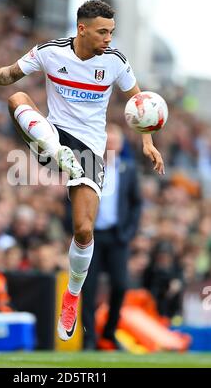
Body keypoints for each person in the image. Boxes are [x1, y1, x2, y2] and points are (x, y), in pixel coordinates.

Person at [0, 0, 165, 341]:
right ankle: (57, 153)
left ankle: (72, 297)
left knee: (82, 230)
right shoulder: (50, 52)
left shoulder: (115, 61)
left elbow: (141, 105)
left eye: (112, 31)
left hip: (90, 150)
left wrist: (148, 142)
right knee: (16, 99)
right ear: (82, 29)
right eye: (102, 32)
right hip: (52, 135)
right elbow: (9, 76)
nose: (109, 38)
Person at [82, 124, 142, 350]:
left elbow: (136, 203)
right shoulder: (89, 165)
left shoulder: (129, 169)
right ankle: (88, 339)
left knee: (120, 285)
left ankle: (109, 331)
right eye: (109, 138)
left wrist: (128, 232)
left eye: (117, 138)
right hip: (92, 236)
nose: (112, 142)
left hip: (117, 237)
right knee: (88, 287)